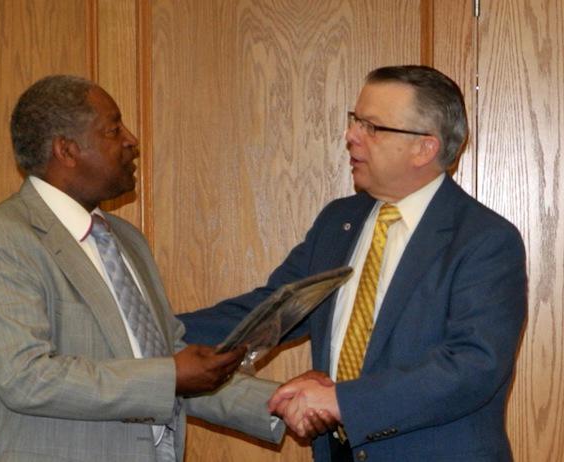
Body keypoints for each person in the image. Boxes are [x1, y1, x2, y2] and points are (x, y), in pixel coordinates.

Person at [180, 65, 527, 461]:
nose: (350, 137)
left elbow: (473, 367)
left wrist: (341, 402)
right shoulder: (338, 222)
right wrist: (152, 333)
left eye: (372, 127)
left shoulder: (484, 239)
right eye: (354, 121)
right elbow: (268, 310)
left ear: (424, 148)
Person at [0, 74, 289, 462]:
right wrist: (172, 376)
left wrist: (284, 402)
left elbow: (168, 360)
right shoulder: (0, 239)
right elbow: (27, 378)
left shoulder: (125, 240)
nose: (132, 140)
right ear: (67, 150)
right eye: (114, 129)